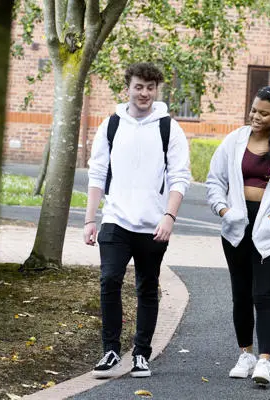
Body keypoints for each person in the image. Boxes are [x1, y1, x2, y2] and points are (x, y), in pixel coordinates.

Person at [83, 62, 190, 379]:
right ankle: (111, 352)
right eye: (138, 86)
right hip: (115, 221)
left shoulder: (168, 128)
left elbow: (179, 178)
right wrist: (90, 220)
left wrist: (169, 216)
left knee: (146, 287)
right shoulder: (111, 125)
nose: (144, 93)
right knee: (109, 281)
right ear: (127, 88)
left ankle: (142, 355)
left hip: (153, 224)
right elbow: (97, 173)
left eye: (150, 87)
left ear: (157, 90)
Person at [206, 86, 270, 385]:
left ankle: (264, 360)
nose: (255, 116)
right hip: (236, 226)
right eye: (254, 110)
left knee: (263, 294)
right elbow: (215, 180)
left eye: (264, 113)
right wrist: (224, 210)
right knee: (240, 294)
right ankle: (245, 354)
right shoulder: (235, 140)